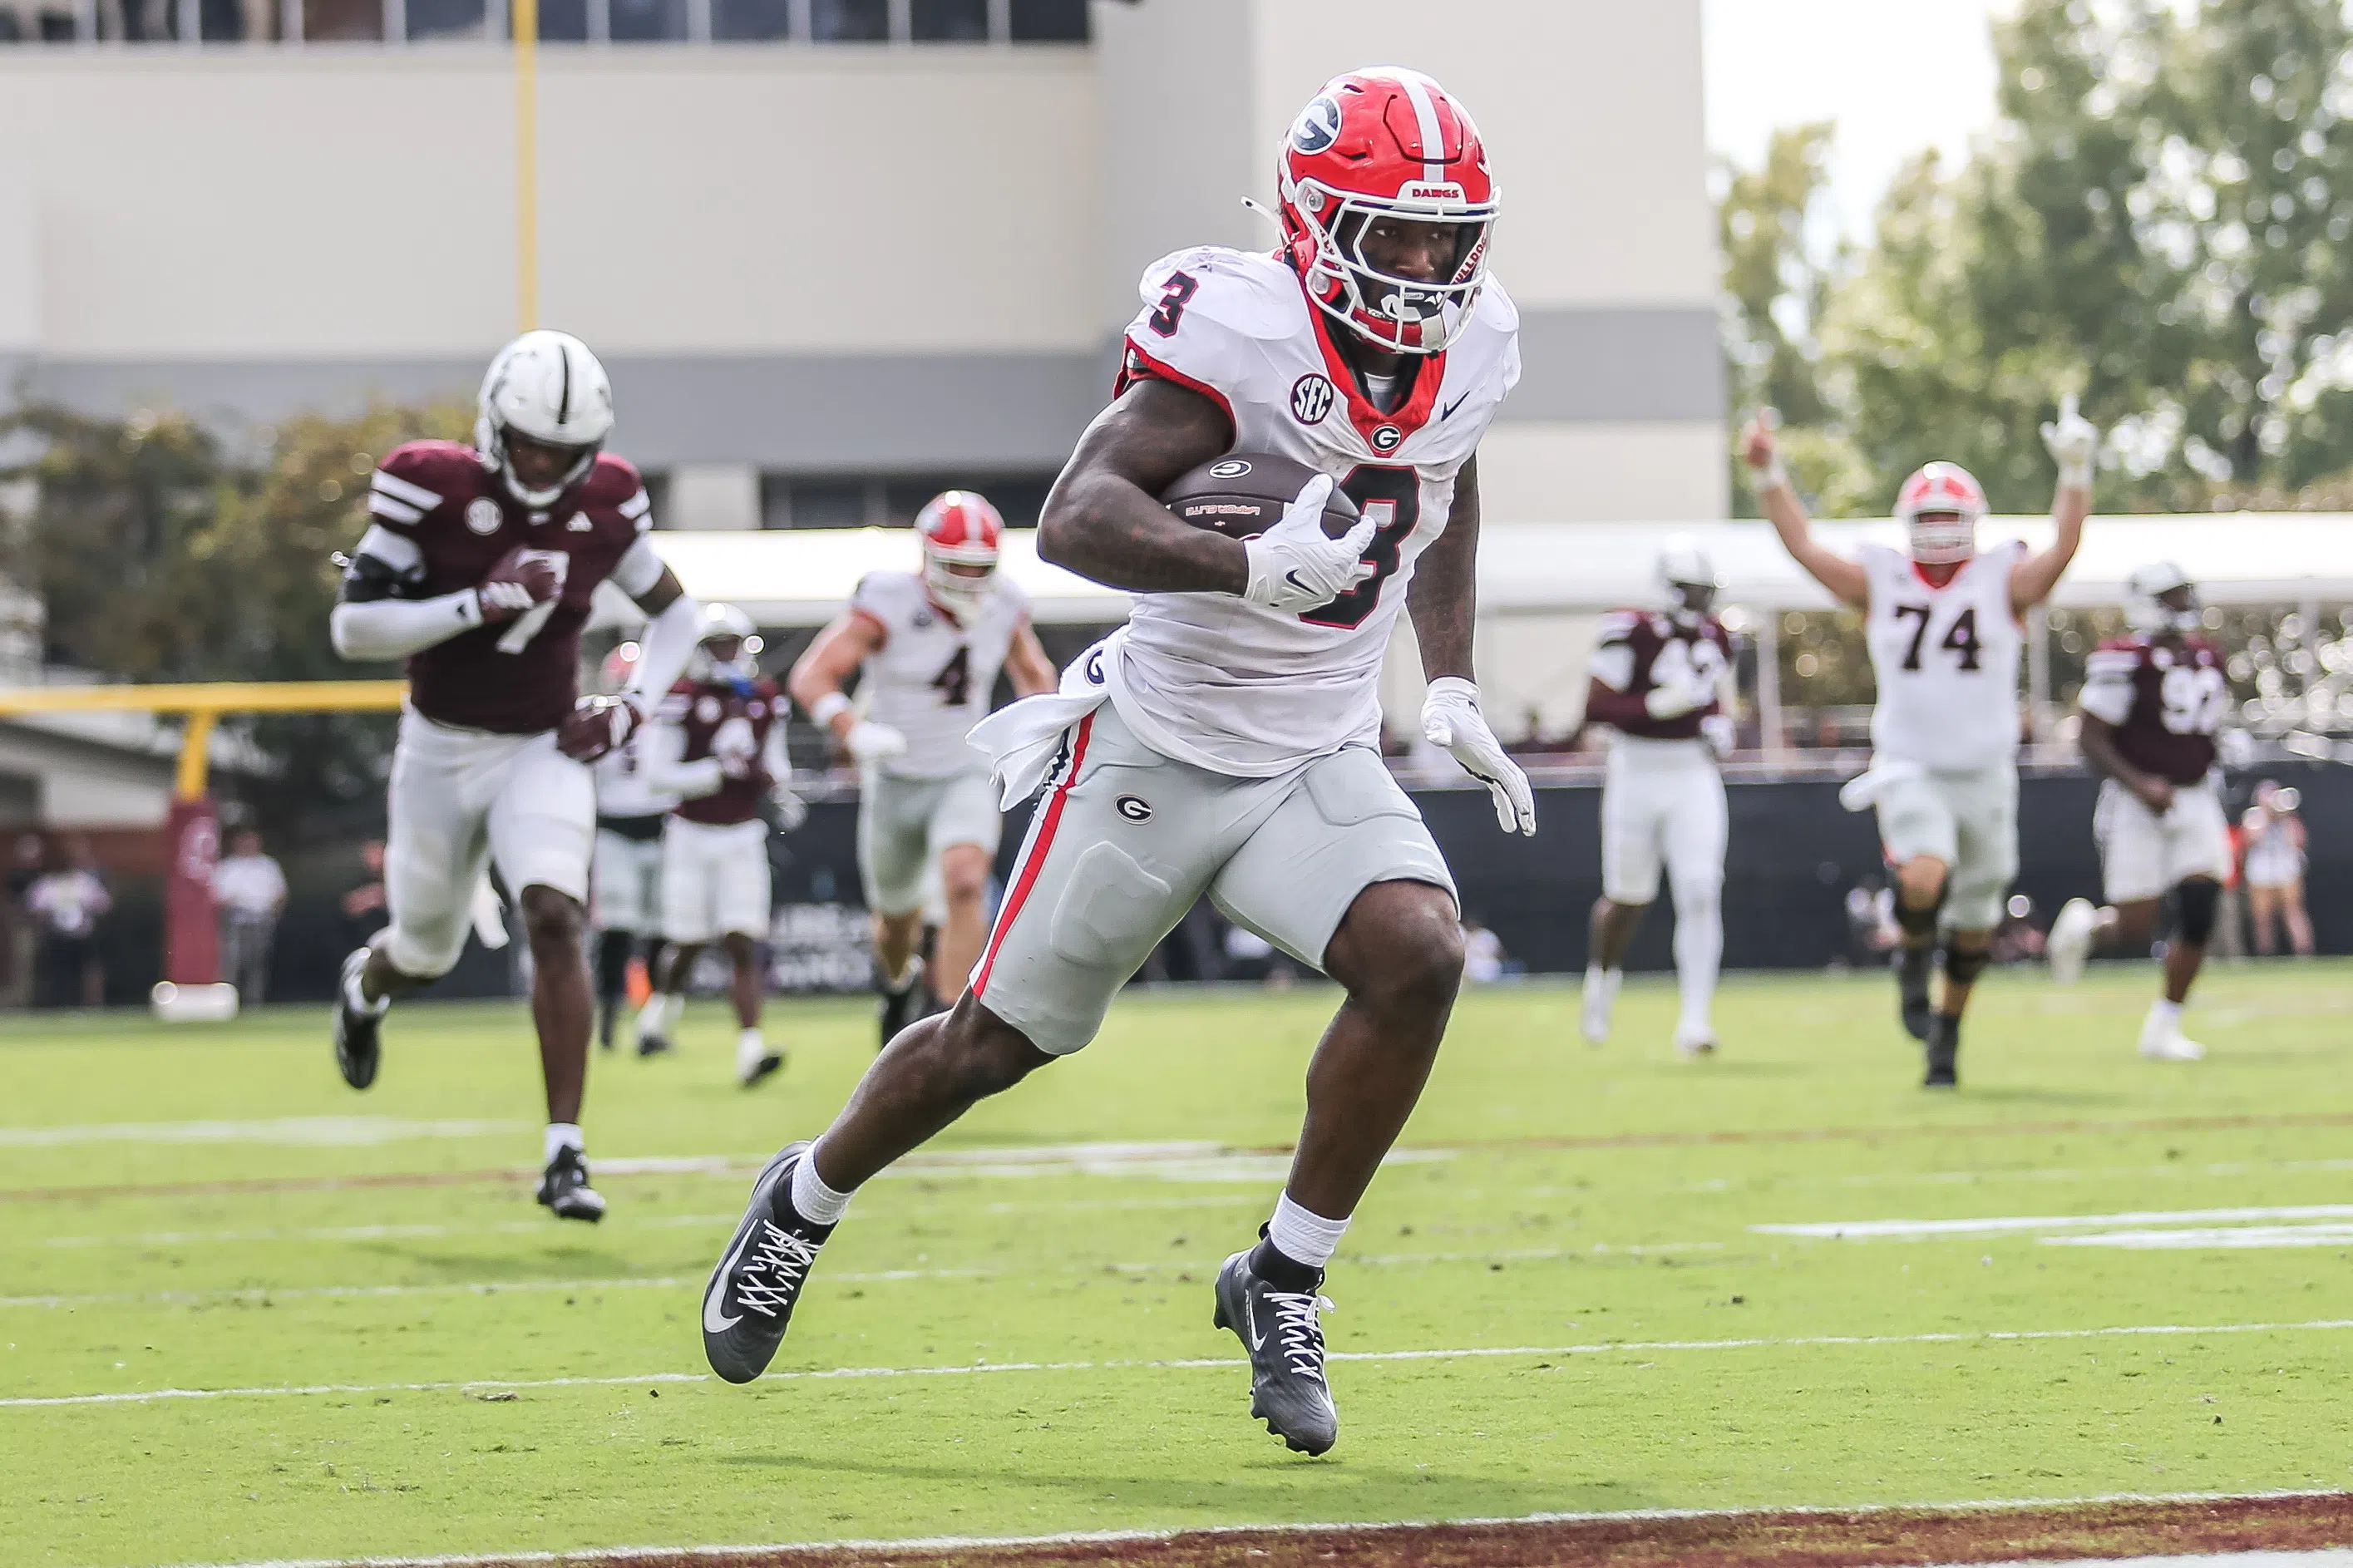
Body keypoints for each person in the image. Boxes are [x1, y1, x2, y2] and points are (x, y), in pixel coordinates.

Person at [699, 67, 1532, 1458]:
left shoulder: (1479, 342)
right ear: (1313, 219)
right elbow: (1074, 518)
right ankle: (805, 1199)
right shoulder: (1241, 328)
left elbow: (1445, 488)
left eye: (1449, 239)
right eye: (1396, 236)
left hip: (1314, 750)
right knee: (991, 1046)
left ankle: (1281, 1275)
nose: (1429, 267)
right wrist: (1247, 564)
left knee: (1421, 953)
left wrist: (1443, 675)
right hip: (1162, 742)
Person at [326, 328, 703, 1223]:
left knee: (554, 913)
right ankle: (365, 987)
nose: (542, 462)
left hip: (543, 745)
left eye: (563, 451)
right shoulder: (433, 483)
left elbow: (676, 615)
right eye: (529, 443)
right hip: (439, 744)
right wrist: (479, 601)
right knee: (425, 950)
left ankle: (562, 1151)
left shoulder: (608, 499)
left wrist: (635, 706)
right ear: (495, 428)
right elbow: (354, 629)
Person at [1745, 397, 2094, 1087]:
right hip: (1909, 764)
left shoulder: (2005, 578)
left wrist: (2077, 475)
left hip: (1986, 772)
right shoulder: (1883, 578)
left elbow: (2063, 551)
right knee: (1924, 870)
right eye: (1927, 518)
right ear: (1908, 525)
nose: (1938, 531)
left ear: (1973, 524)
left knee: (1974, 921)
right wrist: (1768, 474)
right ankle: (1910, 959)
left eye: (1948, 518)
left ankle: (1948, 1037)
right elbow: (1804, 547)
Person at [787, 491, 1058, 1047]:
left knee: (964, 883)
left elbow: (1036, 675)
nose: (966, 578)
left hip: (964, 768)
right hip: (895, 778)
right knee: (896, 923)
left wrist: (1034, 736)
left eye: (978, 568)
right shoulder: (888, 598)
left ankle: (947, 1027)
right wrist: (852, 729)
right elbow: (812, 674)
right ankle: (896, 984)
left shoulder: (1004, 602)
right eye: (956, 564)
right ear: (928, 558)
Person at [2045, 563, 2231, 1061]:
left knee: (2199, 908)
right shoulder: (2123, 660)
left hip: (2194, 796)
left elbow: (2204, 730)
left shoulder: (2208, 656)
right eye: (2171, 597)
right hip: (2134, 803)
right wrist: (2140, 782)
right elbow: (2090, 737)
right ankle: (2087, 928)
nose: (2182, 605)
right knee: (2135, 929)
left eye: (2184, 595)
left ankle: (2164, 1026)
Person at [631, 603, 804, 1087]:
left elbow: (778, 764)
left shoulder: (764, 698)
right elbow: (656, 777)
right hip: (690, 833)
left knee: (741, 939)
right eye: (717, 645)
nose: (727, 654)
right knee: (686, 941)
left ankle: (750, 1048)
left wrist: (772, 783)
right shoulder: (682, 697)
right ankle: (656, 1020)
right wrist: (717, 773)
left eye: (733, 644)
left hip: (743, 833)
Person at [1577, 539, 1735, 1056]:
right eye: (1693, 591)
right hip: (1636, 770)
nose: (1702, 602)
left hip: (1693, 771)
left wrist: (1719, 724)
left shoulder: (1718, 637)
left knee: (1700, 888)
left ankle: (1696, 1020)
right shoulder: (1631, 630)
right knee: (1628, 898)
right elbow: (1597, 707)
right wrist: (1656, 706)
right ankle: (1601, 984)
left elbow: (1717, 700)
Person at [589, 642, 677, 1053]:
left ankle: (653, 1024)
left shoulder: (668, 718)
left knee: (660, 930)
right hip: (615, 829)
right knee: (618, 930)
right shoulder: (597, 717)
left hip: (660, 827)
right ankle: (609, 1018)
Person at [27, 836, 110, 1008]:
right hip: (56, 936)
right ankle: (57, 1004)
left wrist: (87, 911)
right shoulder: (47, 884)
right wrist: (48, 916)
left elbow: (103, 904)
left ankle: (91, 1005)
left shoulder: (83, 881)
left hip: (82, 934)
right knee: (58, 973)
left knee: (88, 971)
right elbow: (33, 908)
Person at [211, 827, 289, 1003]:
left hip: (262, 919)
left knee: (258, 963)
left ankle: (255, 1001)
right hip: (237, 919)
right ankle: (228, 1001)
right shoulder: (228, 867)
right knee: (232, 961)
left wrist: (273, 912)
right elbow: (218, 898)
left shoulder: (268, 865)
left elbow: (280, 894)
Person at [2242, 780, 2313, 956]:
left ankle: (2304, 952)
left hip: (2287, 871)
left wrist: (2286, 817)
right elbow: (2251, 840)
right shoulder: (2253, 817)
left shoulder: (2289, 818)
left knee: (2293, 912)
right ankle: (2266, 954)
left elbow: (2301, 842)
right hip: (2260, 874)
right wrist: (2267, 815)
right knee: (2262, 917)